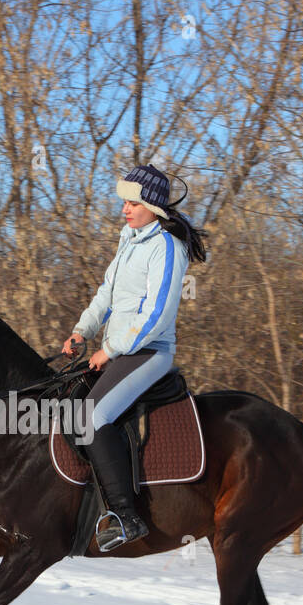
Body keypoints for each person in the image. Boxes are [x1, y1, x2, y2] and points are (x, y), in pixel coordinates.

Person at [62, 163, 207, 551]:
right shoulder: (131, 238)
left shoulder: (166, 247)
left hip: (149, 351)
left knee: (94, 416)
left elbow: (157, 316)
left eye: (132, 203)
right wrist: (82, 330)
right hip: (120, 348)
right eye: (124, 202)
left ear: (153, 206)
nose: (125, 209)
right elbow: (107, 293)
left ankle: (126, 517)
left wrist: (109, 349)